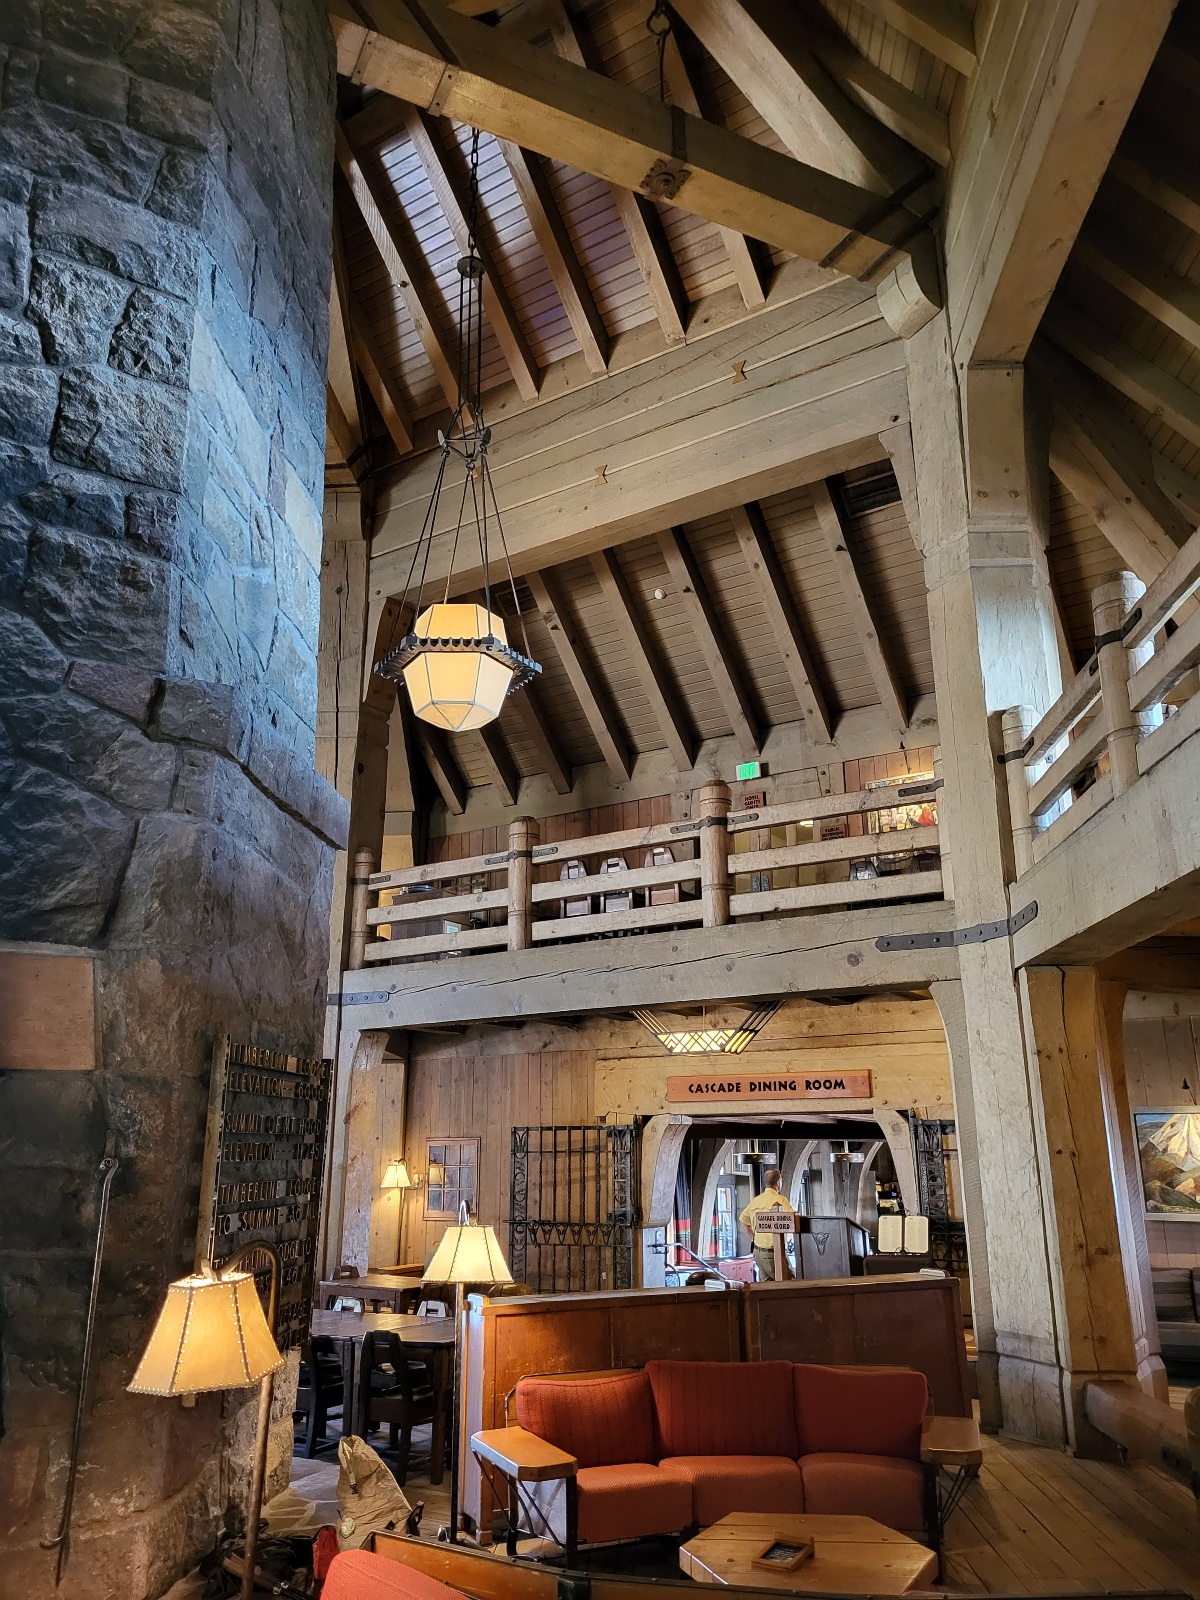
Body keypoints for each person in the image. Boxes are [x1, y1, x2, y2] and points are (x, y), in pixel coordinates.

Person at [738, 1167, 796, 1281]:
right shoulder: (780, 1200)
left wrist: (753, 1237)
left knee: (767, 1287)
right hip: (773, 1254)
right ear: (778, 1183)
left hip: (758, 1253)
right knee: (790, 1285)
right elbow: (794, 1220)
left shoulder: (756, 1201)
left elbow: (743, 1220)